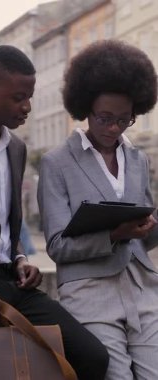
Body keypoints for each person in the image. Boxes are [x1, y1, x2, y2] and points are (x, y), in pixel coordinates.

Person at [0, 45, 109, 380]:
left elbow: (2, 228)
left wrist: (19, 259)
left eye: (30, 96)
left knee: (92, 358)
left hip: (9, 284)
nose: (28, 107)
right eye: (19, 97)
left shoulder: (16, 149)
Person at [38, 39, 158, 380]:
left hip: (143, 288)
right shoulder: (56, 163)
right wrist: (115, 234)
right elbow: (58, 246)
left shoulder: (137, 159)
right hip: (89, 291)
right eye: (105, 118)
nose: (114, 128)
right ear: (84, 107)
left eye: (125, 119)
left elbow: (143, 239)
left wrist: (146, 227)